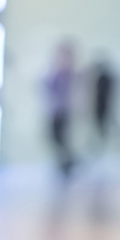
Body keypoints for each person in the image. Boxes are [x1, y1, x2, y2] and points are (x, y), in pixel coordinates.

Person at [44, 40, 77, 175]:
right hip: (54, 111)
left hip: (63, 111)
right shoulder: (55, 73)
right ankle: (66, 164)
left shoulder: (68, 74)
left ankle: (68, 164)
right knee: (55, 138)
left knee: (61, 139)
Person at [93, 60, 116, 141]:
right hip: (100, 103)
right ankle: (101, 135)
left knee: (102, 119)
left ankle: (103, 135)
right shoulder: (102, 78)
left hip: (103, 103)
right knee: (100, 119)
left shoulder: (105, 79)